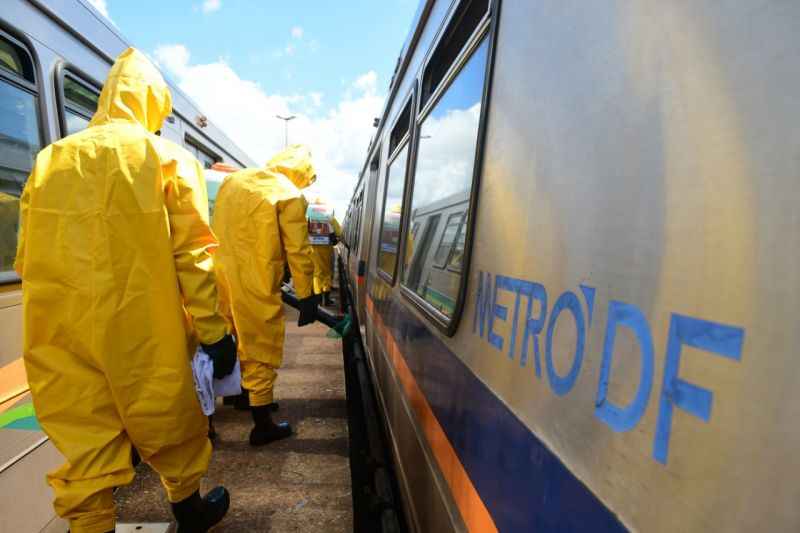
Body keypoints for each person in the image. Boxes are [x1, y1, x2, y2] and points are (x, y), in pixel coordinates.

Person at [15, 48, 235, 533]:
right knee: (168, 416)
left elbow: (25, 256)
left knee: (83, 432)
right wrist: (215, 332)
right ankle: (188, 506)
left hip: (62, 324)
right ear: (153, 103)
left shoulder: (51, 158)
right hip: (143, 320)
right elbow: (194, 256)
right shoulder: (166, 157)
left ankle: (92, 524)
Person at [212, 144, 318, 446]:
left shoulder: (233, 181)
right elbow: (297, 248)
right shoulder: (288, 193)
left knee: (222, 337)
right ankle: (262, 424)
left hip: (218, 274)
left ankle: (222, 409)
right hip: (255, 278)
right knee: (259, 344)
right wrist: (307, 293)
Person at [307, 199, 341, 306]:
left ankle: (317, 298)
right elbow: (339, 232)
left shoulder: (308, 217)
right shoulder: (328, 216)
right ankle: (326, 299)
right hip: (326, 247)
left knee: (317, 273)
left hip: (312, 248)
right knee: (326, 273)